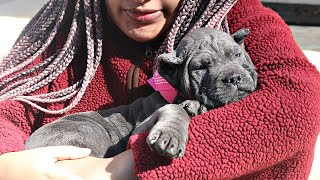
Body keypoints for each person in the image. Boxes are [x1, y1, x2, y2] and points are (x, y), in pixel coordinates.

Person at [0, 0, 319, 179]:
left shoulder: (231, 10)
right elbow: (8, 102)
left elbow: (300, 103)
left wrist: (117, 169)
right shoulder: (69, 19)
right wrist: (8, 164)